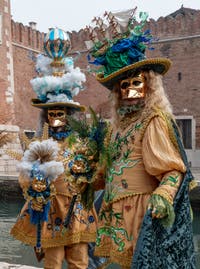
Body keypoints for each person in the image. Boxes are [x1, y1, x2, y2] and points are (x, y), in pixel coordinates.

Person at [86, 9, 197, 268]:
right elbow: (105, 173)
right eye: (123, 86)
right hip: (117, 214)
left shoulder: (153, 121)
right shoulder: (114, 129)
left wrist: (163, 197)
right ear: (117, 92)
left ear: (149, 84)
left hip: (142, 212)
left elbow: (173, 171)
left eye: (136, 83)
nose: (130, 91)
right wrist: (84, 178)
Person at [10, 28, 103, 269]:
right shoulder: (39, 144)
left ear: (69, 115)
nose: (57, 119)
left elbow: (96, 175)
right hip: (52, 211)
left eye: (61, 113)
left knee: (80, 259)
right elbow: (25, 177)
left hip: (78, 209)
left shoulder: (82, 142)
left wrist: (89, 174)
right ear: (46, 116)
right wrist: (36, 188)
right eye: (52, 114)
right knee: (53, 261)